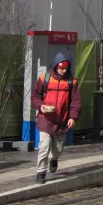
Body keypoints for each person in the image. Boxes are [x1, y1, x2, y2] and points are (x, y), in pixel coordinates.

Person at [31, 52, 81, 184]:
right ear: (55, 66)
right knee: (44, 146)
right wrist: (41, 106)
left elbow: (75, 102)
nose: (63, 70)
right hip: (45, 119)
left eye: (65, 68)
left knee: (58, 148)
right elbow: (35, 97)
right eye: (61, 68)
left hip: (62, 121)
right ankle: (40, 173)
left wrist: (73, 117)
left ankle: (54, 159)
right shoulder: (44, 79)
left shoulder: (72, 82)